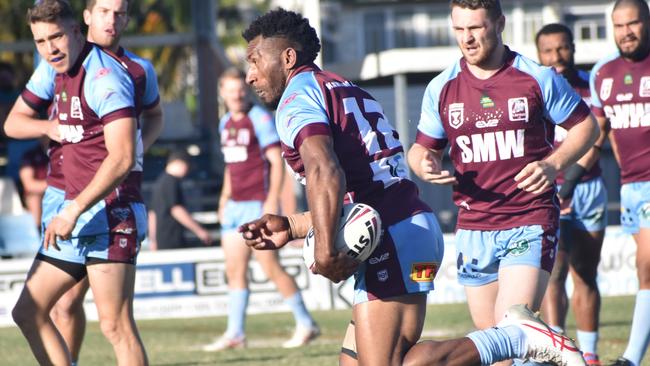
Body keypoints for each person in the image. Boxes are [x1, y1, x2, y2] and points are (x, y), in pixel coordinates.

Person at [238, 7, 586, 366]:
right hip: (406, 229)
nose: (250, 75)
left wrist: (326, 252)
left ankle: (514, 337)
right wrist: (293, 225)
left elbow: (324, 170)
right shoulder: (340, 87)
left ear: (288, 57)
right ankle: (509, 338)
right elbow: (366, 185)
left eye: (254, 60)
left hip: (393, 237)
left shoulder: (297, 97)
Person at [407, 0, 599, 364]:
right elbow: (419, 150)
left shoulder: (537, 77)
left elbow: (586, 127)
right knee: (499, 354)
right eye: (459, 29)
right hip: (473, 226)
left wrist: (552, 163)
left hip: (528, 218)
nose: (467, 38)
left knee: (516, 329)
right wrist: (424, 162)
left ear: (499, 24)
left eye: (476, 28)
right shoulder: (442, 87)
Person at [4, 1, 148, 364]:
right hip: (72, 210)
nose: (49, 48)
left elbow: (122, 158)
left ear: (76, 31)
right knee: (30, 311)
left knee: (116, 326)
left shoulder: (106, 78)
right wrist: (47, 127)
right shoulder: (52, 70)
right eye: (40, 41)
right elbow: (12, 124)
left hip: (110, 213)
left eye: (56, 37)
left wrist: (73, 210)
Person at [201, 67, 319, 351]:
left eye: (240, 89)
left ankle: (305, 323)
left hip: (257, 203)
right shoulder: (225, 123)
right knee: (234, 270)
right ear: (223, 93)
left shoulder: (259, 119)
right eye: (230, 90)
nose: (236, 94)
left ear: (246, 89)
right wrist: (223, 198)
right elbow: (232, 167)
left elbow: (276, 162)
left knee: (269, 266)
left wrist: (271, 200)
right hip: (235, 206)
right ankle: (235, 333)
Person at [535, 23, 609, 366]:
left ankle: (591, 355)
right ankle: (557, 352)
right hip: (550, 193)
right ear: (538, 54)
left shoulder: (591, 82)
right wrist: (555, 187)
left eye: (562, 48)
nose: (556, 57)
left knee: (586, 273)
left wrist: (571, 184)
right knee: (554, 275)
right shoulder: (535, 85)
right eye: (548, 51)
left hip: (588, 189)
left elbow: (597, 138)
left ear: (573, 47)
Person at [590, 1, 650, 365]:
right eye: (619, 25)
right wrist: (562, 182)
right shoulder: (602, 73)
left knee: (648, 264)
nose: (626, 31)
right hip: (630, 187)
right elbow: (599, 136)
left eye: (634, 24)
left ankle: (630, 357)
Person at [148, 149, 211, 250]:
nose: (187, 171)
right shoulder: (171, 181)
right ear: (181, 163)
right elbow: (176, 209)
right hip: (172, 239)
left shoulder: (160, 181)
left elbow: (152, 214)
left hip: (161, 240)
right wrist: (199, 231)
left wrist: (153, 240)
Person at [19, 138, 49, 228]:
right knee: (34, 197)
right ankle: (37, 229)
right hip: (42, 192)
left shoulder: (64, 154)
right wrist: (54, 185)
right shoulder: (31, 155)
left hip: (61, 191)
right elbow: (29, 185)